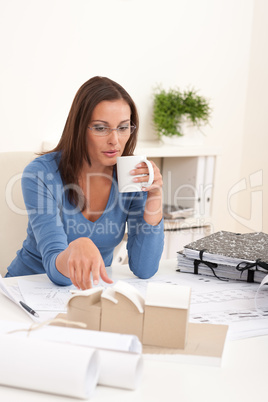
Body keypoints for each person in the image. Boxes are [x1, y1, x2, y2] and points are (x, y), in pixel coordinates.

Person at [6, 76, 164, 289]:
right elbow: (58, 273)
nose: (115, 140)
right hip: (27, 290)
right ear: (79, 128)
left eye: (123, 127)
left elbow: (145, 269)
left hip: (90, 293)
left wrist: (154, 198)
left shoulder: (131, 174)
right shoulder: (41, 174)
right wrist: (77, 246)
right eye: (100, 128)